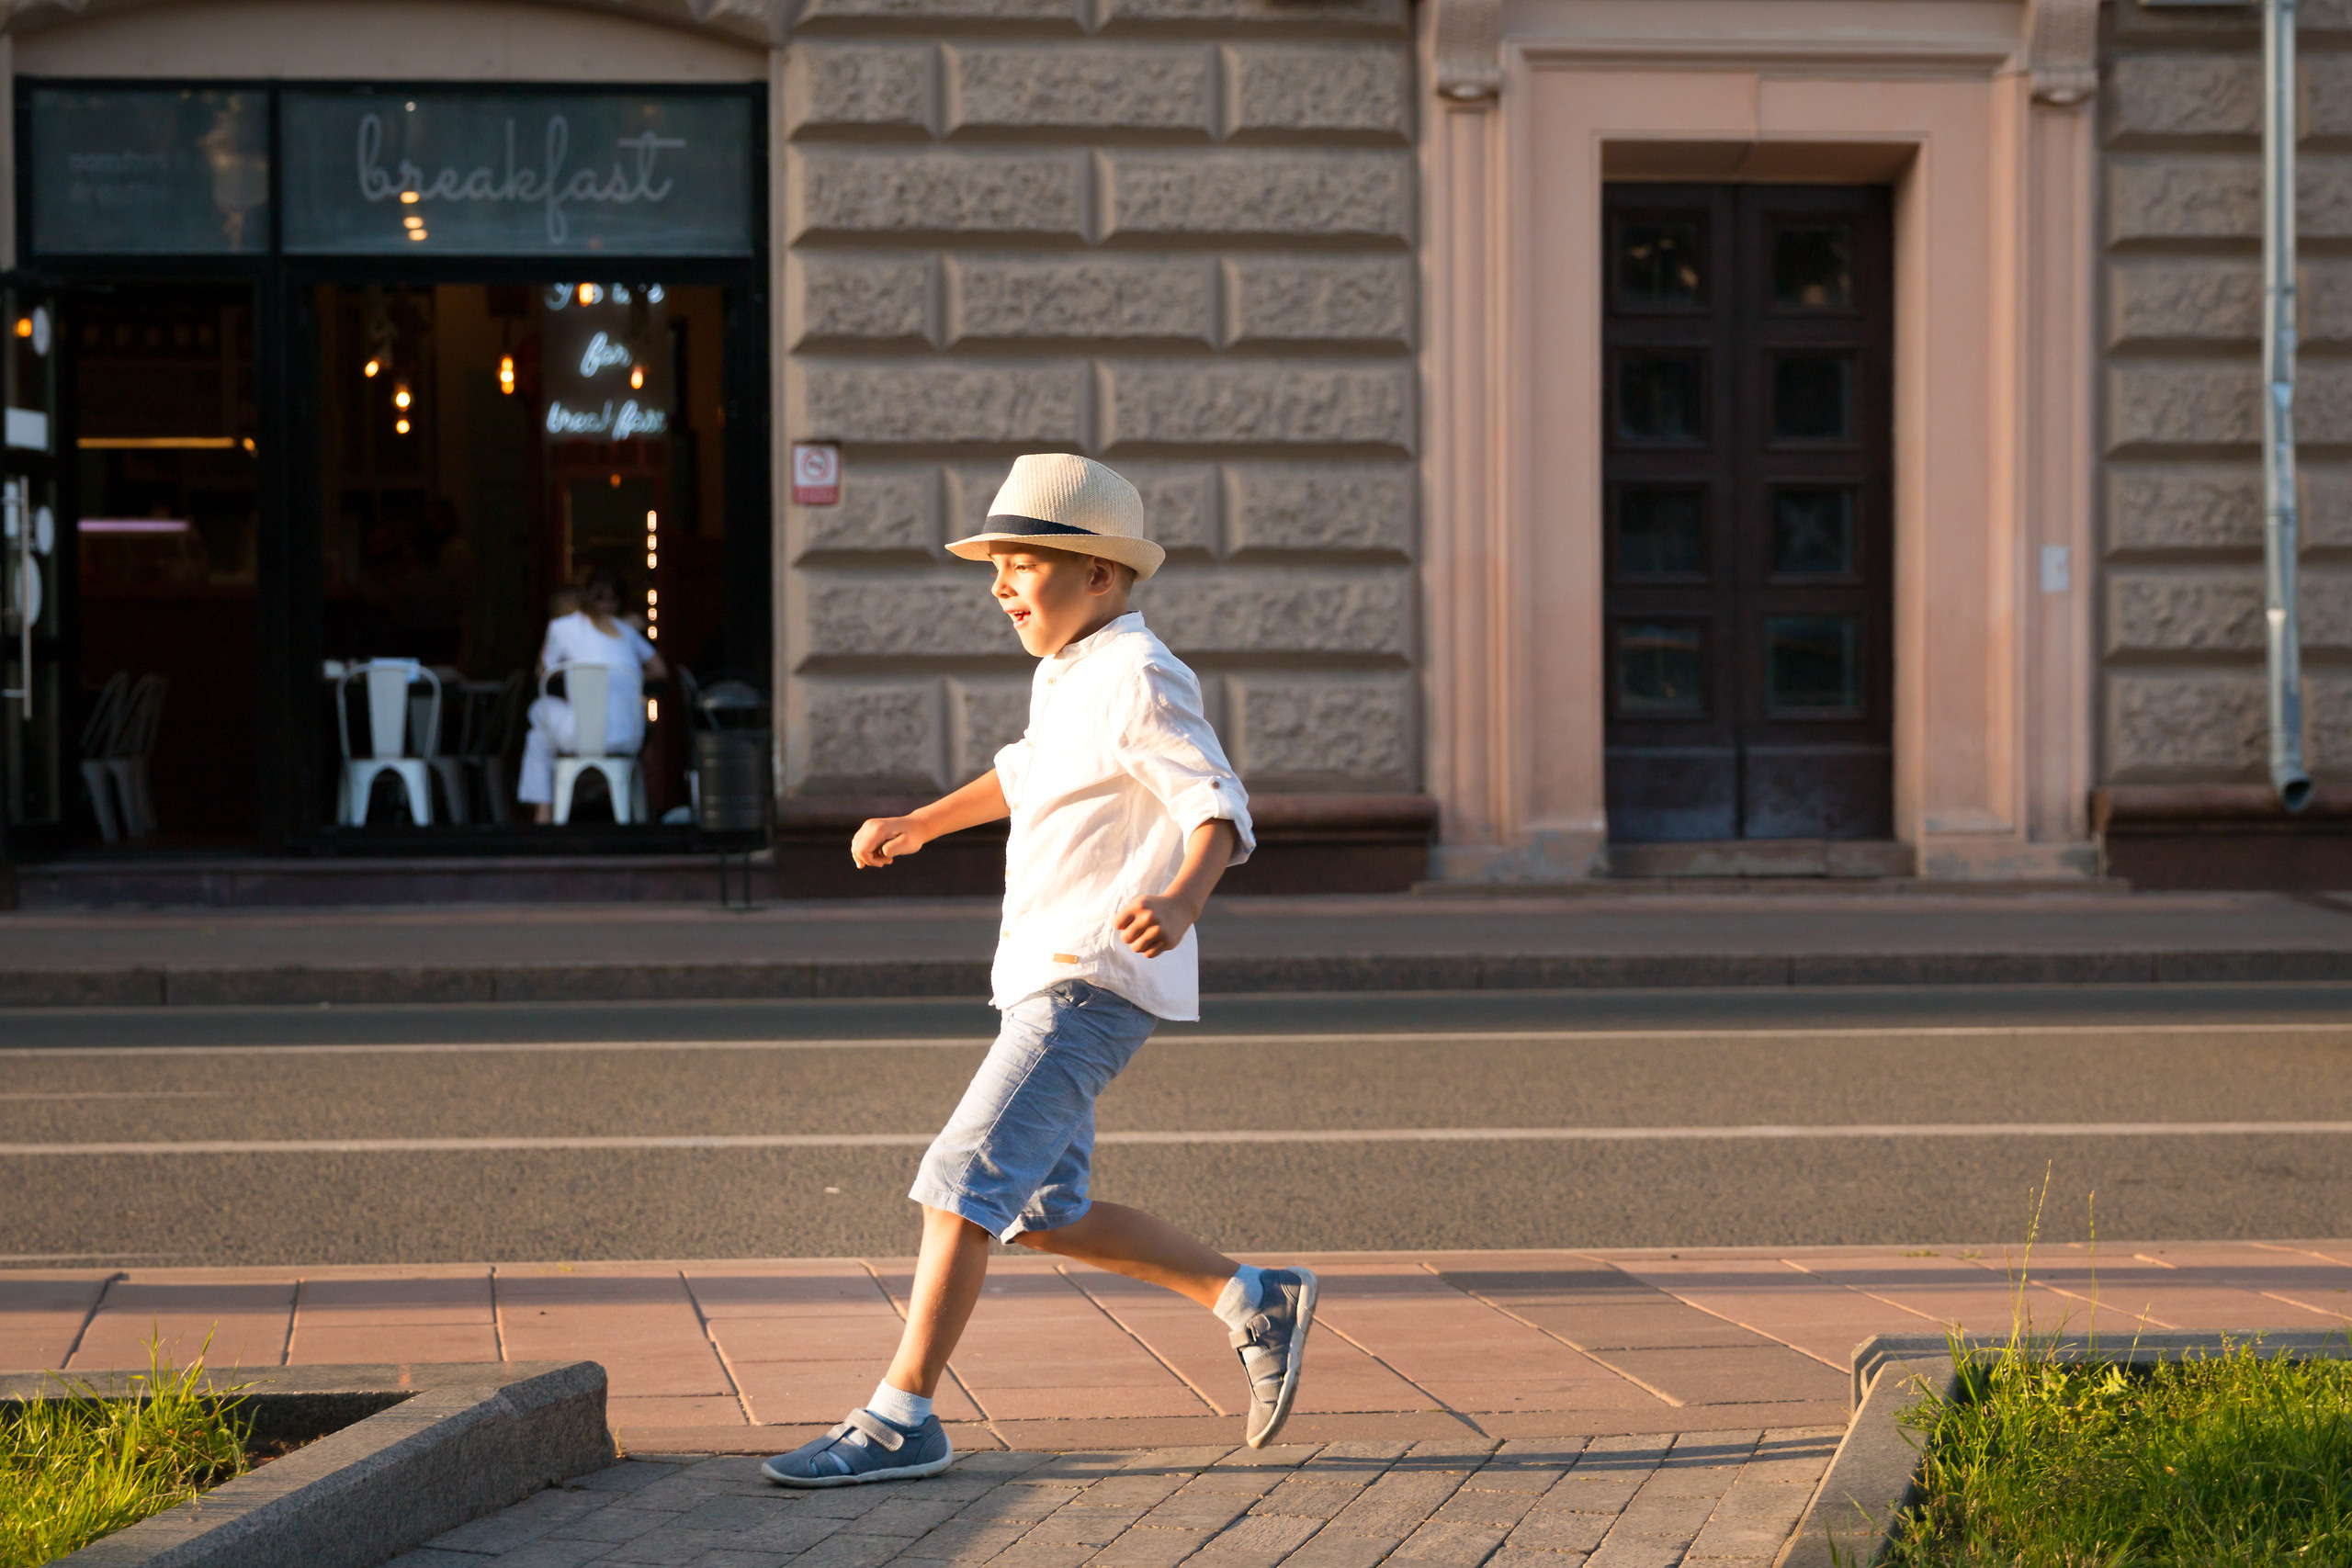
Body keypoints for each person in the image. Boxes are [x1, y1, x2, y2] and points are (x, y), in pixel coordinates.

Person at [762, 453, 1316, 1490]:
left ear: (1098, 575)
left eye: (1021, 564)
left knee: (962, 1179)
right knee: (1039, 1211)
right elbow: (1026, 771)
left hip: (1088, 978)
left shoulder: (1140, 672)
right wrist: (921, 822)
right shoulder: (1072, 672)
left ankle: (900, 1417)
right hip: (1047, 976)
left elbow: (1216, 803)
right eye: (996, 567)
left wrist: (1185, 897)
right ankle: (1252, 1296)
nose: (999, 584)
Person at [518, 568, 665, 824]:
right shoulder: (625, 628)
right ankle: (557, 809)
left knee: (539, 713)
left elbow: (542, 674)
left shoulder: (562, 627)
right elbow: (661, 671)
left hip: (583, 737)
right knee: (539, 736)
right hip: (628, 738)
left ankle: (544, 813)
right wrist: (623, 675)